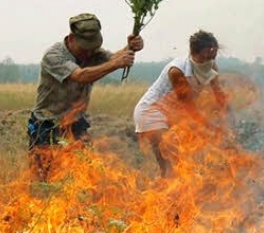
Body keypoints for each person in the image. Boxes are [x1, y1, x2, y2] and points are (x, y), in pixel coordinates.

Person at [28, 13, 143, 180]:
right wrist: (116, 64)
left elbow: (112, 59)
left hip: (75, 123)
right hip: (47, 123)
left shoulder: (92, 52)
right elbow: (81, 76)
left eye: (92, 47)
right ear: (71, 38)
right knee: (43, 177)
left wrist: (130, 47)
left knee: (86, 173)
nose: (88, 53)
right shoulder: (54, 56)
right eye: (84, 48)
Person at [134, 30, 231, 178]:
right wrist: (211, 128)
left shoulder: (211, 66)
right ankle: (165, 196)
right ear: (194, 52)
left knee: (182, 159)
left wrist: (228, 118)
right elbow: (189, 107)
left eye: (213, 55)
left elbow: (218, 93)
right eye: (206, 55)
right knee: (170, 160)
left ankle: (175, 194)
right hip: (151, 112)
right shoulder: (177, 71)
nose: (210, 59)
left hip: (172, 113)